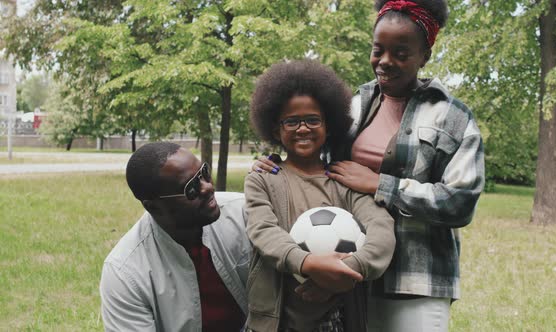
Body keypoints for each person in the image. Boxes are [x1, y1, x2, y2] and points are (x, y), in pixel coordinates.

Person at [253, 1, 485, 331]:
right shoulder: (354, 105)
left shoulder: (452, 117)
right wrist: (276, 162)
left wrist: (381, 185)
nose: (386, 61)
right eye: (379, 50)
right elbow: (318, 161)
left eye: (401, 53)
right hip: (349, 277)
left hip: (414, 282)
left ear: (425, 56)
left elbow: (460, 203)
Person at [244, 60, 396, 332]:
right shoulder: (263, 179)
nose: (303, 128)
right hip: (275, 321)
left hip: (335, 320)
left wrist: (343, 274)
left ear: (329, 126)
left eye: (313, 119)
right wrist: (308, 263)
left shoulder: (345, 182)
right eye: (291, 121)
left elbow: (382, 231)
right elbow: (263, 231)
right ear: (276, 129)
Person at [100, 142, 251, 332]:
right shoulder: (125, 273)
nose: (208, 188)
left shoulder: (244, 214)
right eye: (191, 188)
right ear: (153, 207)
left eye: (204, 173)